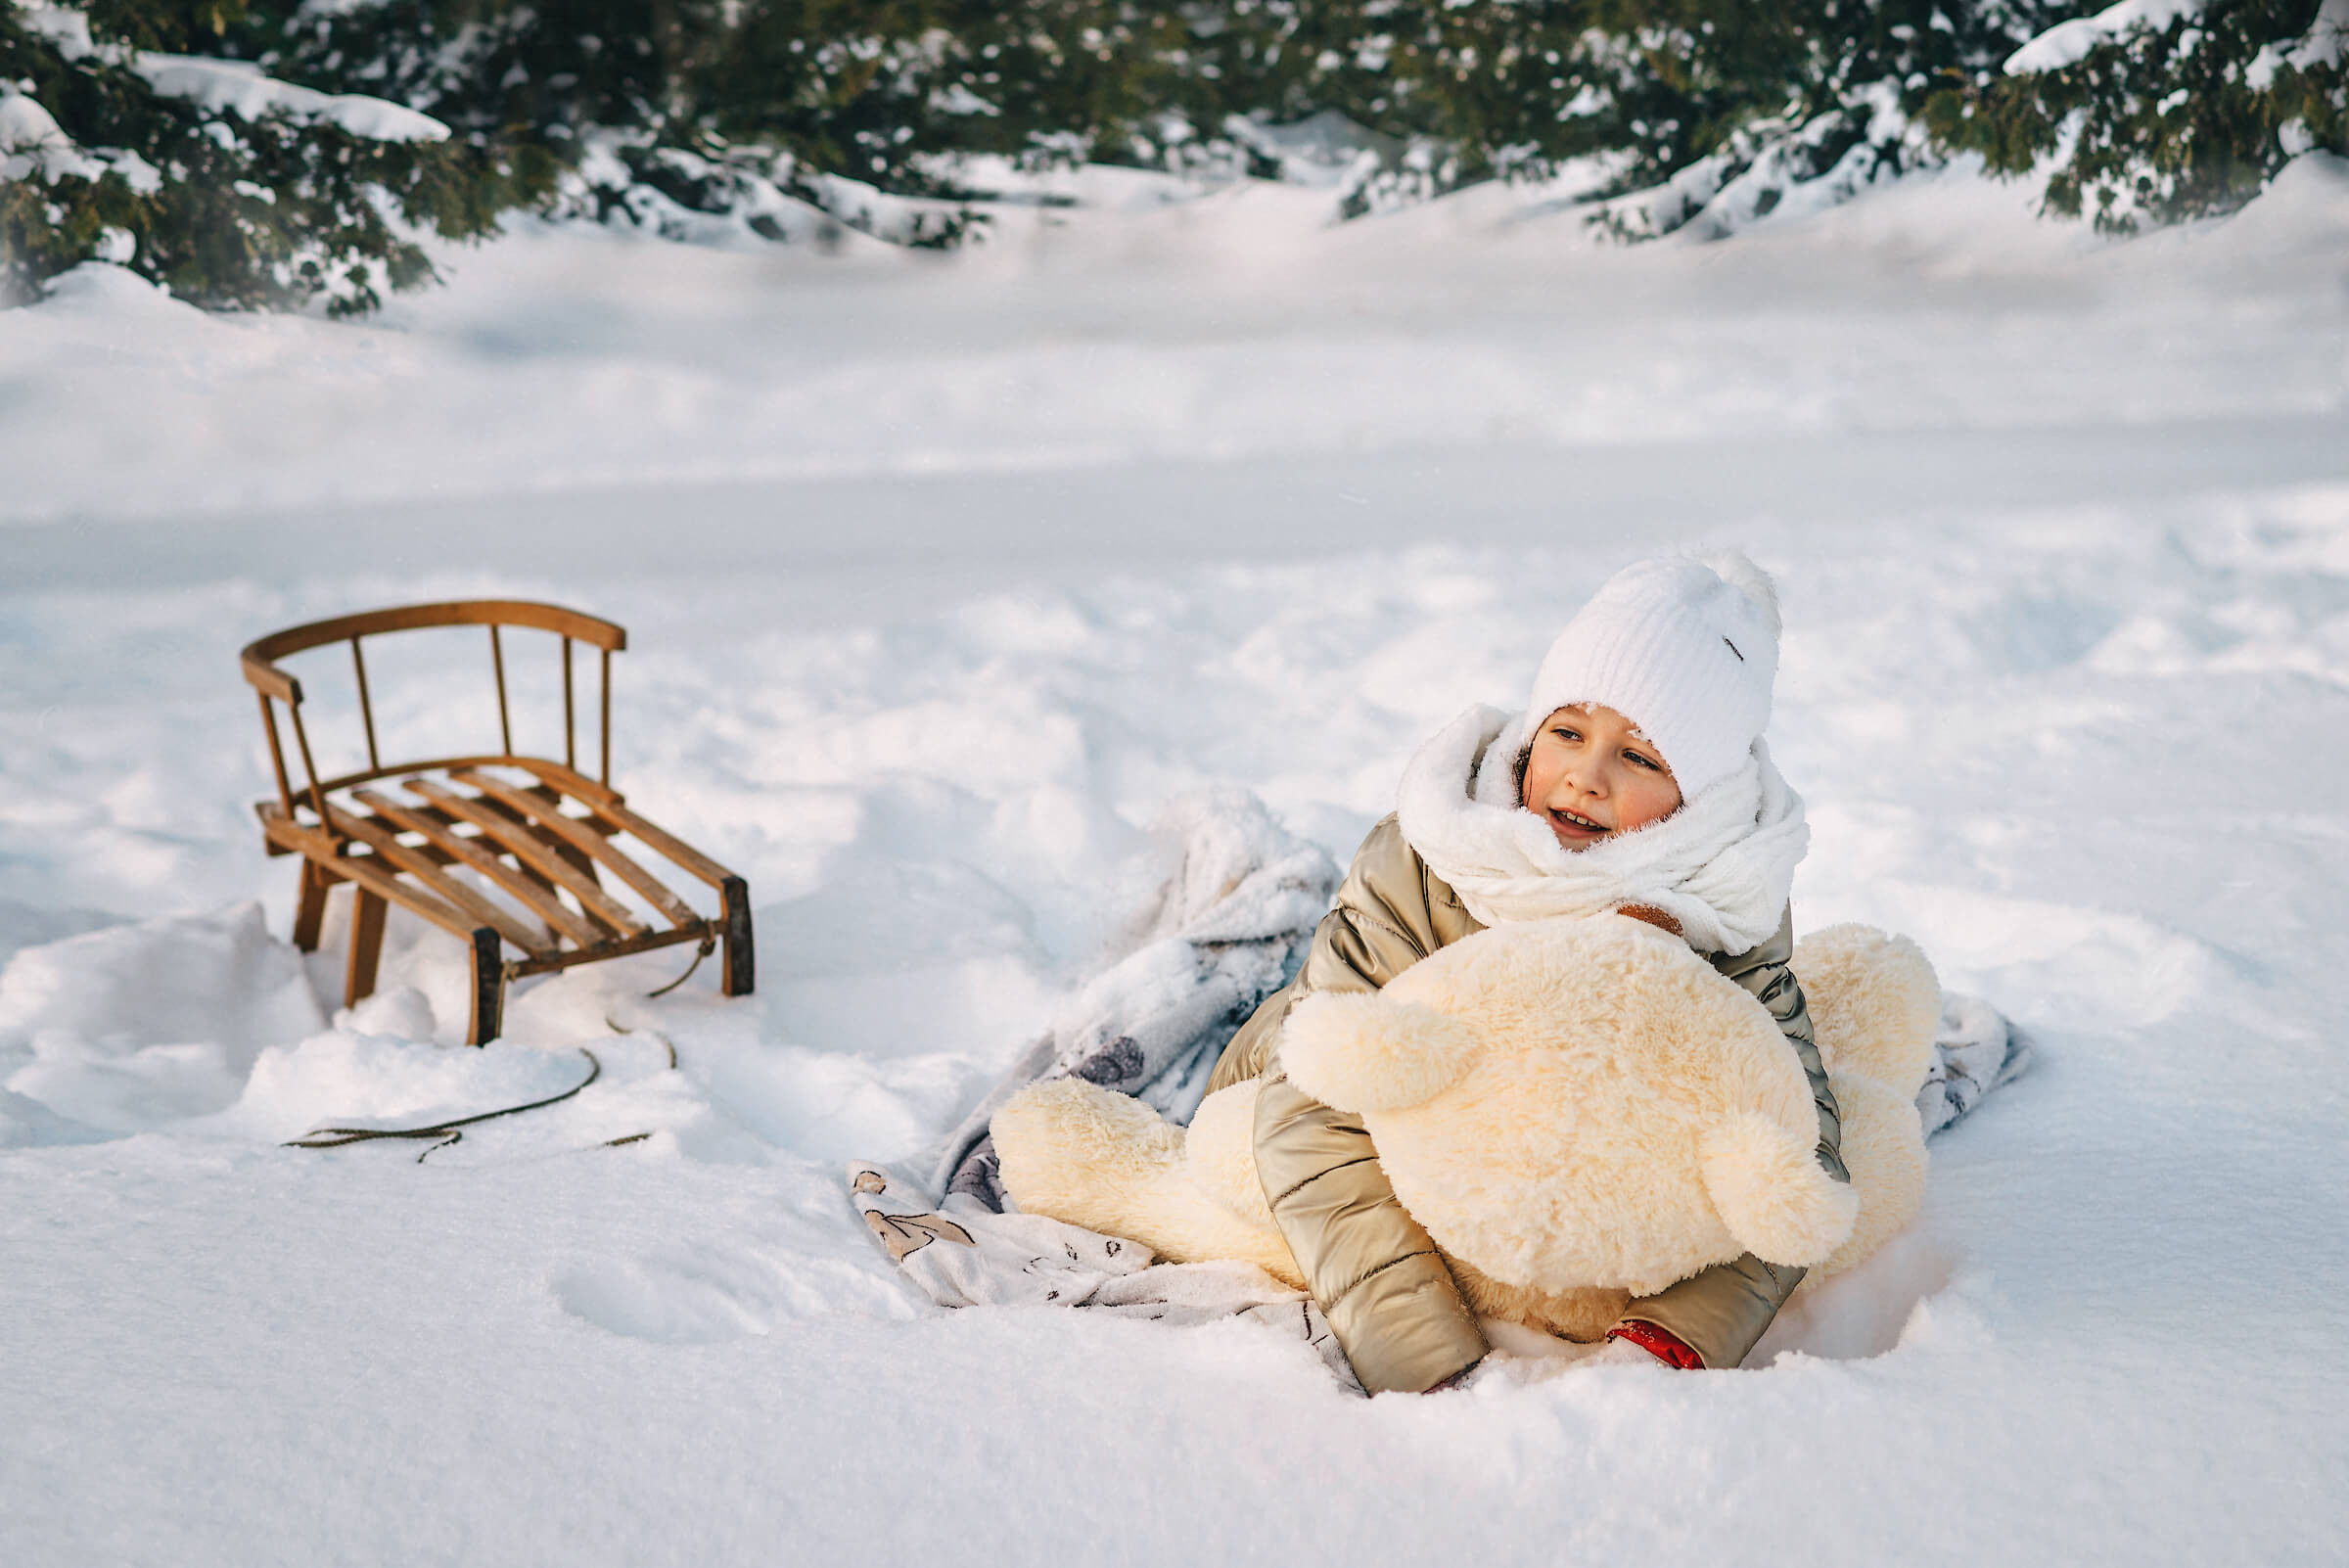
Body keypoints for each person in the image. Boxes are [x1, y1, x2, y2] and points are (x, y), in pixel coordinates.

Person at [1202, 552, 1846, 1393]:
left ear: (1703, 797)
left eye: (1642, 758)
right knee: (1236, 1145)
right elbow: (1315, 1112)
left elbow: (1805, 1145)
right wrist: (1418, 1352)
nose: (1587, 774)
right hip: (1339, 1091)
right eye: (1568, 732)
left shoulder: (1727, 909)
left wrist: (1679, 1333)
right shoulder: (1431, 861)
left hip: (1558, 1169)